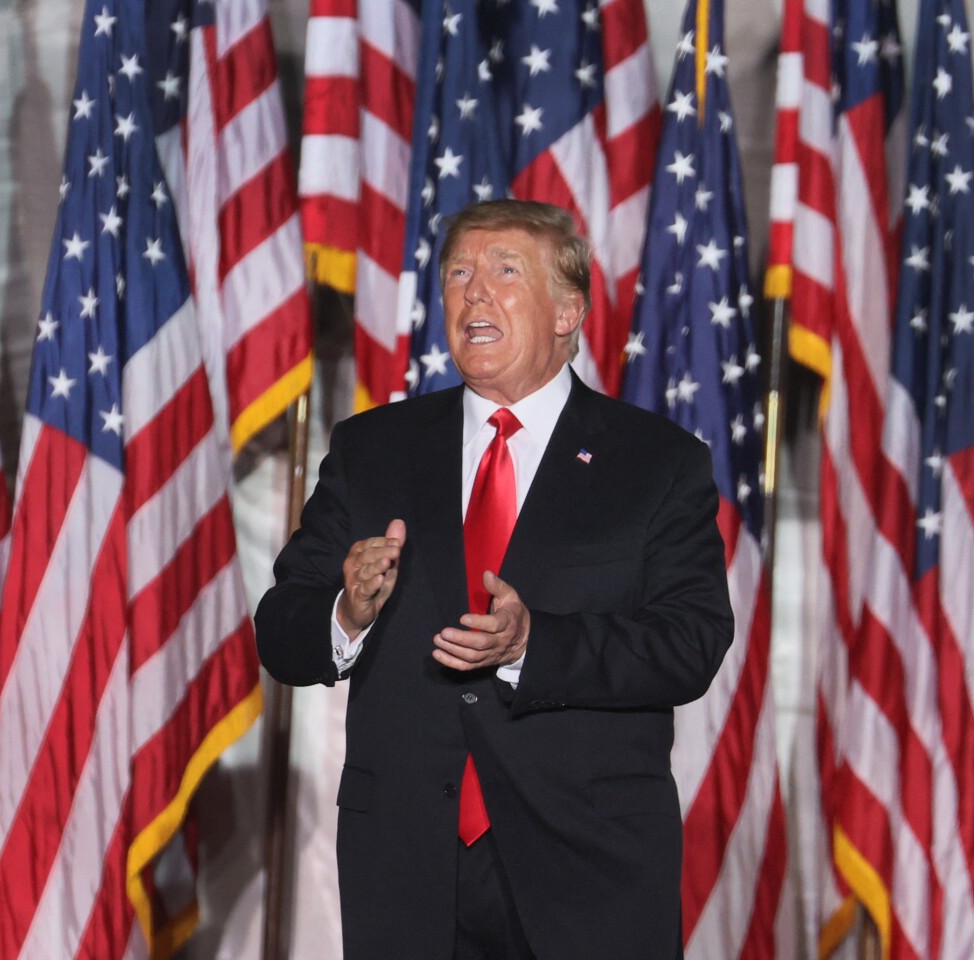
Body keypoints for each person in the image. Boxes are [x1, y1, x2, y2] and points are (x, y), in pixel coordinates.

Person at [254, 199, 733, 960]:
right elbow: (281, 629)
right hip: (407, 869)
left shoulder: (657, 463)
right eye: (459, 275)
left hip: (589, 874)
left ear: (567, 311)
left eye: (506, 272)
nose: (474, 293)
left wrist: (534, 643)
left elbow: (691, 642)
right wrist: (347, 611)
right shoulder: (372, 448)